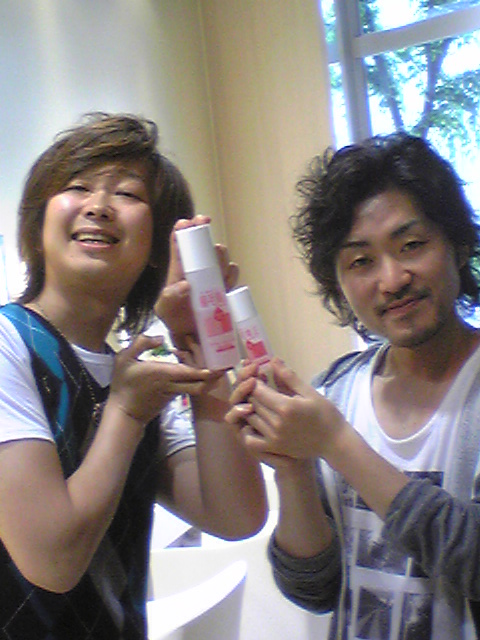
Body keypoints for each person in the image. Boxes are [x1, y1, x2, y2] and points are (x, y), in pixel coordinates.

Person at [0, 112, 267, 640]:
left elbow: (236, 515)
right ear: (37, 223)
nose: (98, 205)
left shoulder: (136, 375)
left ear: (156, 249)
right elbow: (51, 559)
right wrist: (125, 412)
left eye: (126, 193)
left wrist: (199, 342)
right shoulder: (10, 344)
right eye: (77, 187)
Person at [227, 131, 480, 639]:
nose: (392, 279)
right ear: (339, 284)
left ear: (456, 245)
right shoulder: (336, 393)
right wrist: (294, 467)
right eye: (361, 261)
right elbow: (313, 590)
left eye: (411, 246)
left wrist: (336, 442)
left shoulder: (331, 423)